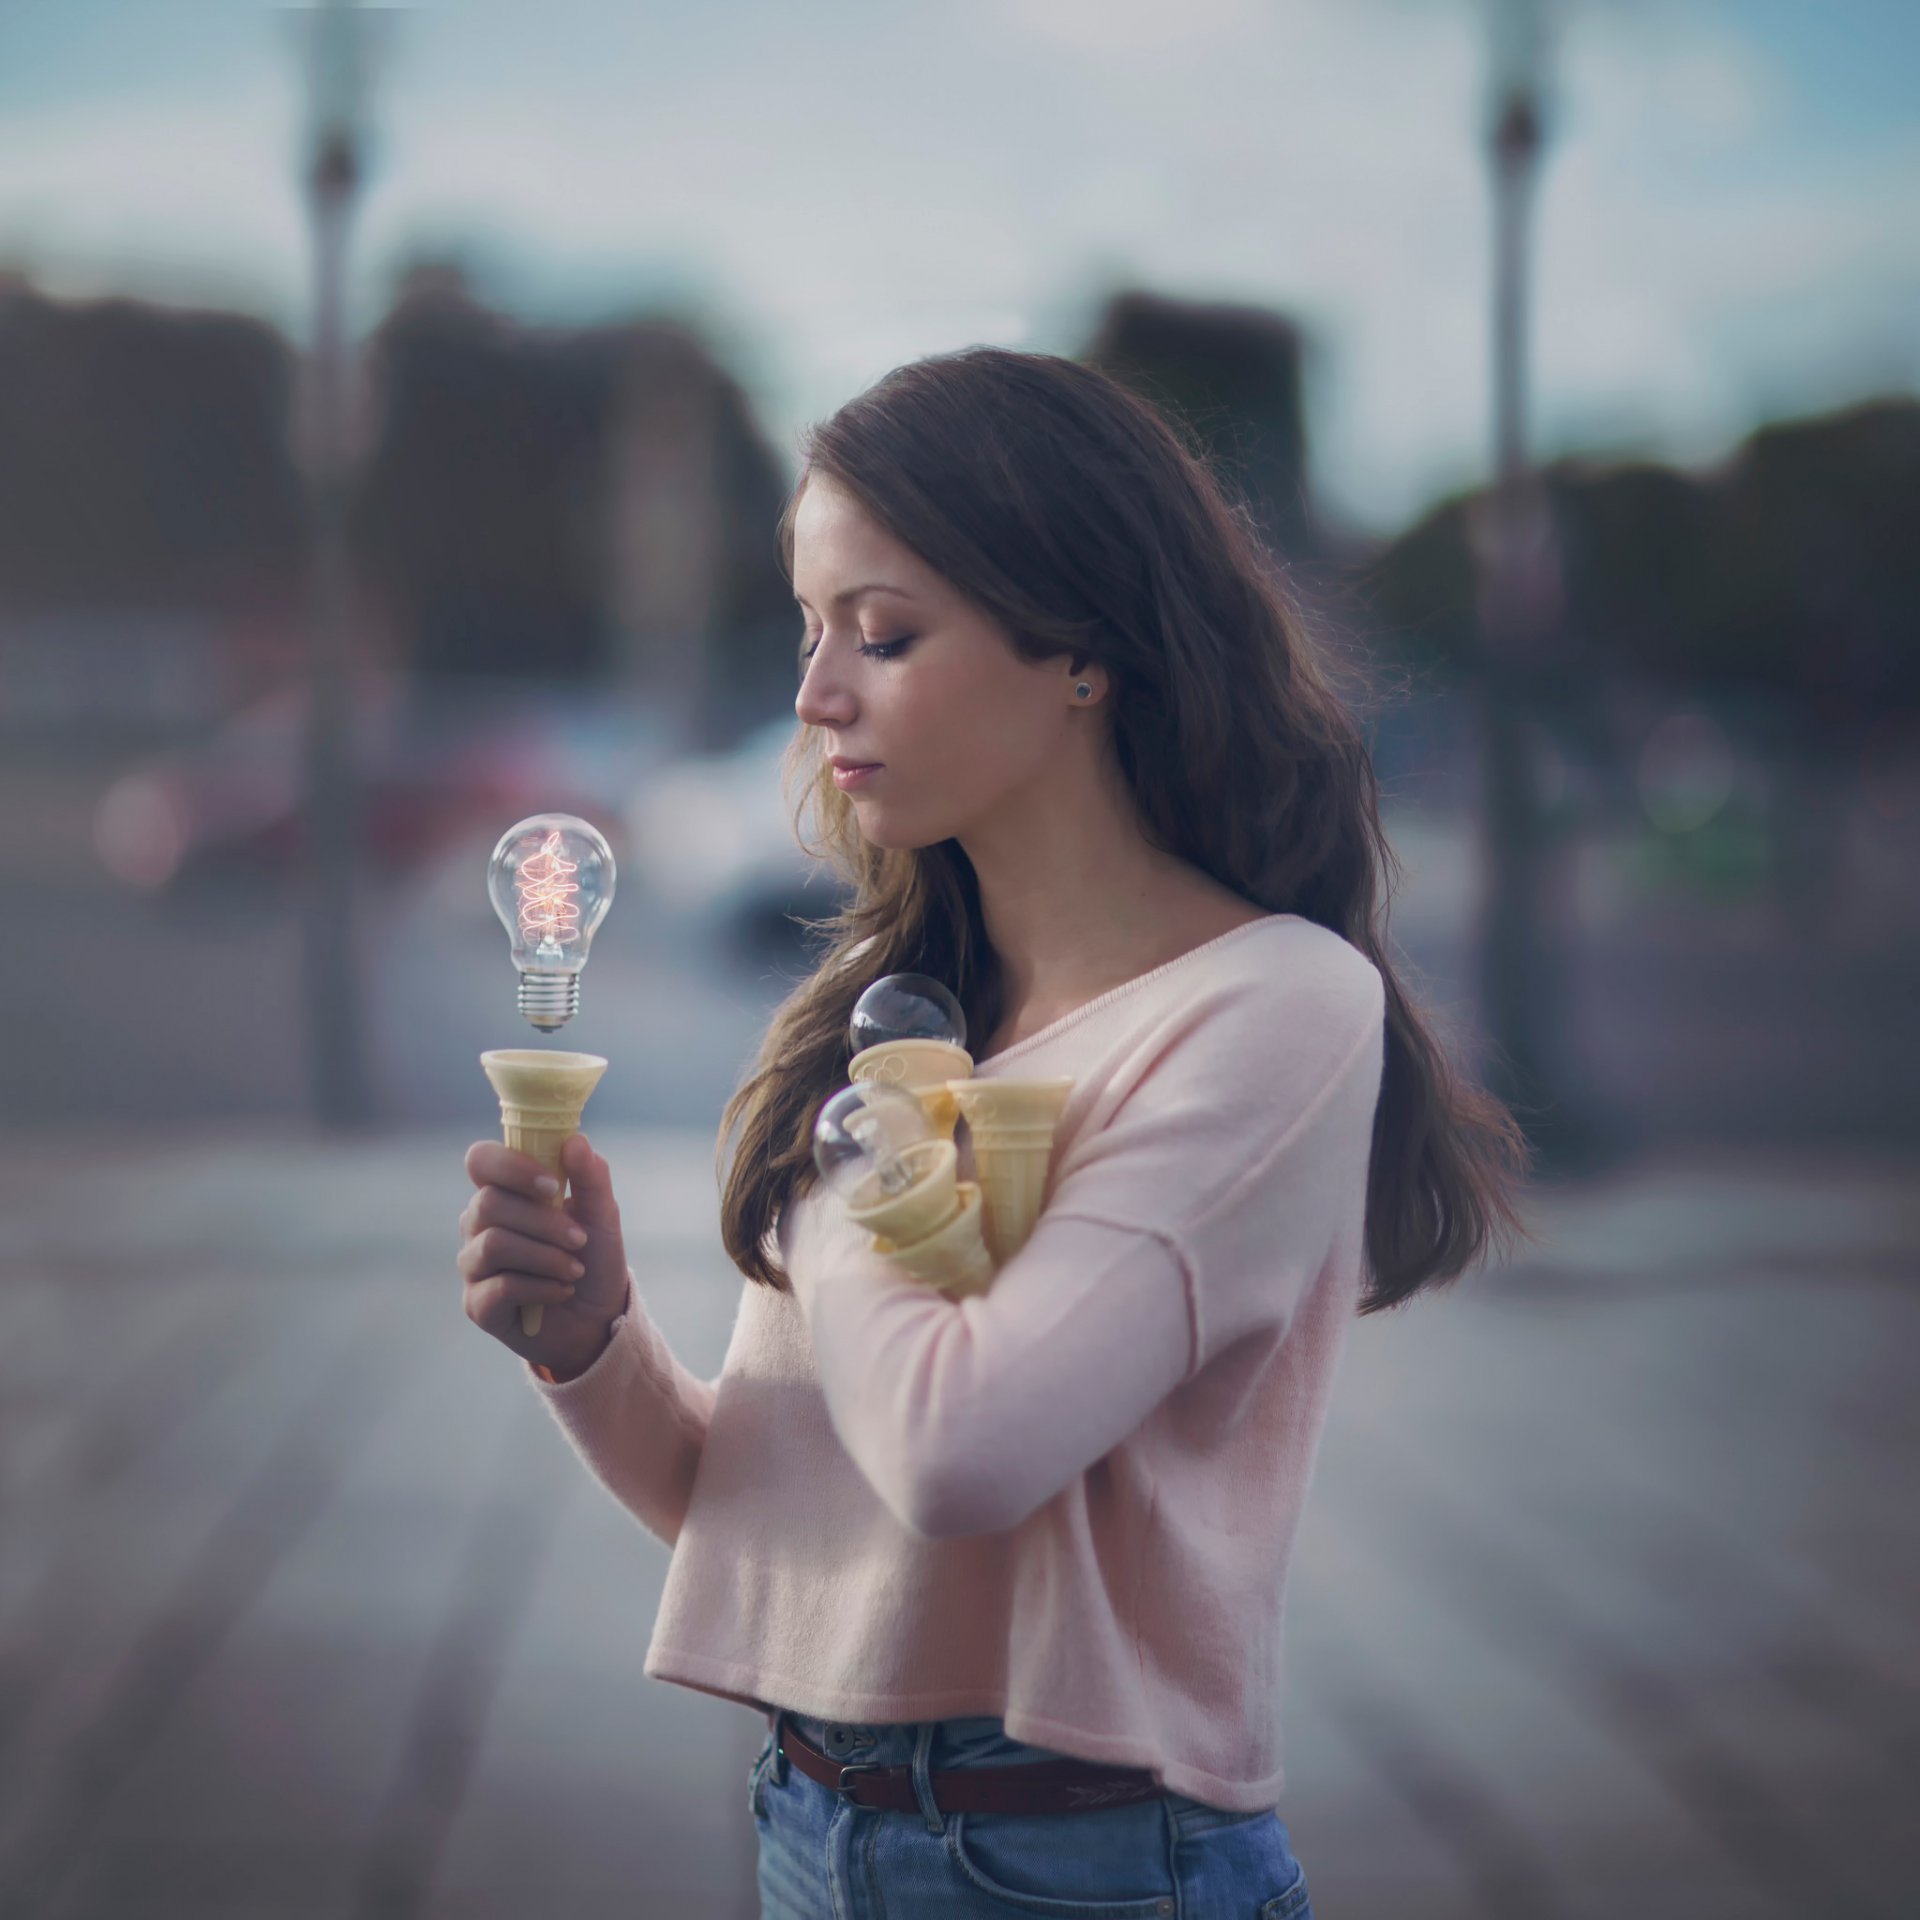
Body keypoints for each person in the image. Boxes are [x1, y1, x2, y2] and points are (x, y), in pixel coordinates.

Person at [456, 346, 1536, 1917]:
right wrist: (588, 1342)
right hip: (809, 1831)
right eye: (812, 630)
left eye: (884, 634)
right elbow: (768, 1511)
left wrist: (849, 1164)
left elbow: (959, 1448)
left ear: (1083, 651)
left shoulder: (1269, 1007)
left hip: (1082, 1870)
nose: (819, 693)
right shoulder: (883, 1006)